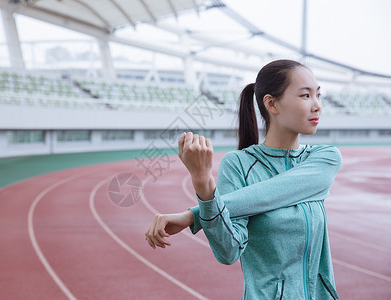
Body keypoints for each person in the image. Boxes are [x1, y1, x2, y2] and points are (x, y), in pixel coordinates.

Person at [145, 59, 342, 299]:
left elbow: (277, 192)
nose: (317, 106)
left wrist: (194, 215)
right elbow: (228, 252)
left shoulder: (324, 158)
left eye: (318, 95)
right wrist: (203, 183)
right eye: (305, 96)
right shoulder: (238, 164)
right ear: (271, 103)